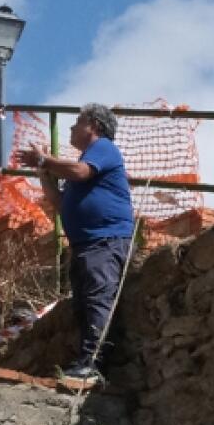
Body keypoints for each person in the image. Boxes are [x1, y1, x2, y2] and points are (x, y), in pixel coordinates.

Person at [18, 103, 134, 385]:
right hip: (86, 243)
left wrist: (45, 160)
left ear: (94, 125)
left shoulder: (103, 148)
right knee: (84, 304)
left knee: (98, 298)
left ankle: (93, 364)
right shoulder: (85, 161)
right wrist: (44, 174)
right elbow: (59, 202)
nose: (71, 127)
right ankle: (86, 362)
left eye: (77, 122)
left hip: (105, 239)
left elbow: (80, 172)